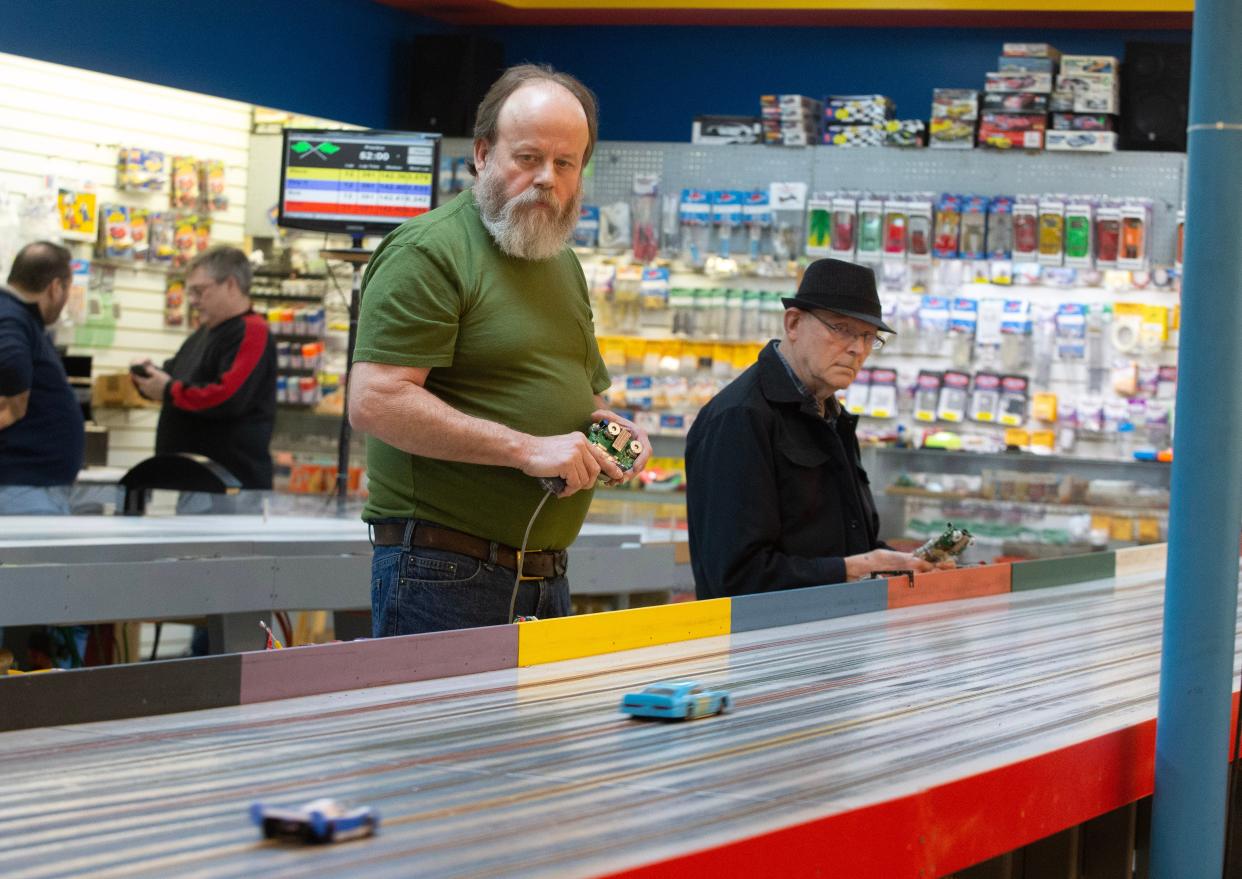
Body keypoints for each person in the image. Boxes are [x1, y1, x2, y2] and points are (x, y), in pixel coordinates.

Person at [349, 63, 650, 636]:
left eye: (565, 164)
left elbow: (580, 398)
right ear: (484, 154)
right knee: (445, 729)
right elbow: (376, 401)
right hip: (441, 569)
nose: (546, 179)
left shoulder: (560, 260)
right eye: (528, 158)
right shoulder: (430, 252)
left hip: (543, 572)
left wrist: (607, 433)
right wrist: (526, 448)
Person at [686, 258, 953, 599]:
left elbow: (843, 545)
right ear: (794, 323)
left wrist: (906, 565)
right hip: (761, 646)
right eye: (841, 328)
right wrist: (856, 568)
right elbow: (736, 577)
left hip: (830, 636)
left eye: (869, 336)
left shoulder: (830, 413)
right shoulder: (739, 417)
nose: (857, 348)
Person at [131, 245, 276, 512]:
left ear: (231, 285)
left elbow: (228, 396)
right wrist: (147, 378)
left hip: (232, 487)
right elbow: (175, 377)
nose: (193, 300)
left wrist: (167, 390)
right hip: (202, 484)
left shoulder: (252, 331)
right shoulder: (205, 333)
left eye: (199, 291)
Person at [0, 241, 83, 515]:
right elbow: (11, 363)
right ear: (55, 287)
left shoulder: (16, 315)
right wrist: (15, 404)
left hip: (27, 484)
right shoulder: (12, 315)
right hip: (23, 486)